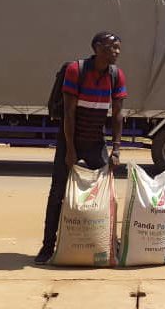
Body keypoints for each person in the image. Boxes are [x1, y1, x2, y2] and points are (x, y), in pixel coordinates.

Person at [35, 31, 127, 264]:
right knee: (57, 194)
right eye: (112, 47)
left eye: (118, 47)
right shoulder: (76, 70)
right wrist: (70, 151)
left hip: (96, 142)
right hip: (70, 140)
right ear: (97, 47)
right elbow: (69, 113)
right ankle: (47, 247)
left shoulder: (116, 75)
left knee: (107, 194)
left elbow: (118, 114)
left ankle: (110, 243)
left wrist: (116, 149)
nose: (116, 52)